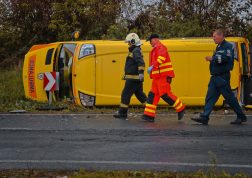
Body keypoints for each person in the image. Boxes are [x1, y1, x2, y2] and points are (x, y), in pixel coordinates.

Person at [191, 29, 247, 125]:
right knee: (210, 97)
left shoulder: (227, 46)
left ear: (221, 36)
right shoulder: (218, 47)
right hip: (215, 77)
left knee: (229, 98)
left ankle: (241, 116)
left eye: (214, 36)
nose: (213, 38)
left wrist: (213, 58)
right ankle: (204, 117)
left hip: (222, 77)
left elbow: (227, 58)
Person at [141, 34, 185, 122]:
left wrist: (152, 66)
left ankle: (181, 108)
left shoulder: (161, 47)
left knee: (165, 94)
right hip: (157, 77)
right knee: (152, 95)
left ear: (155, 39)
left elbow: (161, 58)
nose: (150, 43)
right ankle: (149, 115)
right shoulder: (155, 49)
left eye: (150, 41)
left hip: (163, 76)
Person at [114, 33, 147, 118]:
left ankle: (122, 113)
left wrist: (140, 73)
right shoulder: (136, 50)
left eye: (129, 42)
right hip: (135, 79)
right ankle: (149, 112)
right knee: (141, 96)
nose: (128, 44)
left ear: (133, 41)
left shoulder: (135, 50)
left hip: (133, 79)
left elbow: (141, 63)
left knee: (125, 94)